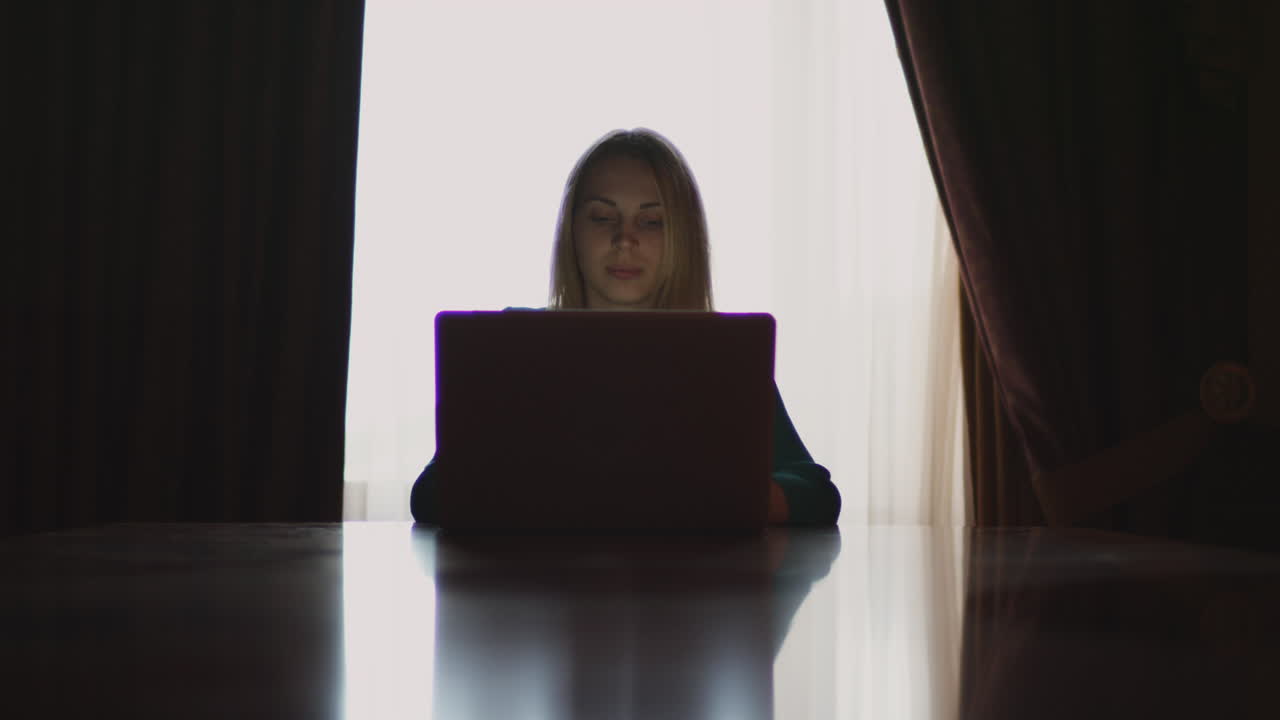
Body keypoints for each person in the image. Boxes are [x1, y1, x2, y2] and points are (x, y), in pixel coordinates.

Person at [411, 128, 840, 526]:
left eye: (651, 221)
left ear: (682, 237)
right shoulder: (512, 348)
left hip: (688, 594)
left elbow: (818, 493)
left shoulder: (719, 356)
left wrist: (729, 500)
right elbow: (431, 492)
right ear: (572, 232)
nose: (625, 239)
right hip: (538, 591)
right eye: (602, 217)